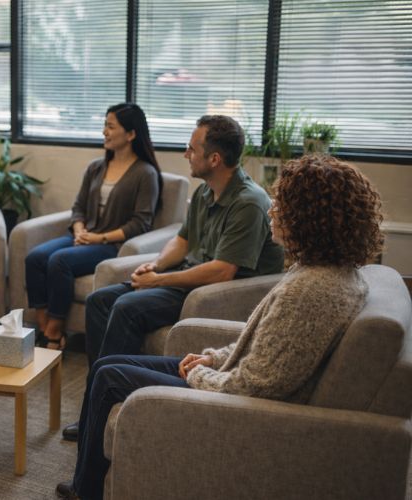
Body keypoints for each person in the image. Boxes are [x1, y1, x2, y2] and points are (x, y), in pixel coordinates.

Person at [57, 154, 384, 499]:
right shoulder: (318, 271)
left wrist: (200, 375)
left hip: (237, 401)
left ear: (310, 218)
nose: (272, 210)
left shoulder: (313, 291)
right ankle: (87, 480)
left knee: (109, 376)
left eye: (283, 204)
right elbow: (261, 342)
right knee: (107, 365)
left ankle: (86, 491)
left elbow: (260, 384)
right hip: (228, 374)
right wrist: (212, 358)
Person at [61, 114, 285, 441]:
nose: (185, 154)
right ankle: (95, 404)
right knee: (99, 301)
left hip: (217, 293)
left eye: (191, 149)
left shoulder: (248, 203)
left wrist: (158, 281)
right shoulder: (207, 192)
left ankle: (114, 410)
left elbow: (223, 270)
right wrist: (156, 266)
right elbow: (182, 242)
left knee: (126, 307)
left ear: (214, 158)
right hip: (190, 280)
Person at [25, 103, 163, 350]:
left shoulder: (146, 173)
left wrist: (99, 239)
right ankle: (43, 324)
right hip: (85, 237)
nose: (104, 132)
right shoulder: (96, 167)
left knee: (60, 261)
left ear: (131, 134)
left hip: (113, 245)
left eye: (111, 127)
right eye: (104, 126)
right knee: (35, 258)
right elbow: (78, 207)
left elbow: (140, 223)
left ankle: (55, 332)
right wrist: (79, 231)